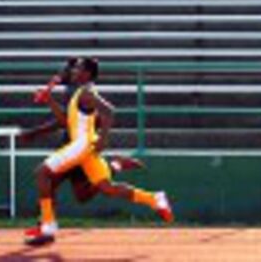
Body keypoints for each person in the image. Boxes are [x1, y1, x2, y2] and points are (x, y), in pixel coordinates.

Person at [24, 57, 174, 246]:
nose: (73, 71)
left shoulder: (86, 93)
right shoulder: (81, 92)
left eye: (77, 69)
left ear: (87, 73)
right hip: (87, 146)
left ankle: (48, 225)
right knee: (107, 188)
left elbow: (109, 111)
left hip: (82, 145)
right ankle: (154, 198)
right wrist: (49, 100)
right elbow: (67, 122)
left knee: (42, 173)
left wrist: (104, 138)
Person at [19, 58, 144, 205]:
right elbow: (67, 120)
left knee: (51, 179)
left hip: (78, 146)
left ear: (84, 73)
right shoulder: (74, 90)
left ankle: (46, 222)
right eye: (68, 70)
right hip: (72, 144)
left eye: (69, 69)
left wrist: (35, 132)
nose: (65, 73)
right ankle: (46, 221)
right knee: (78, 193)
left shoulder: (81, 91)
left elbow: (65, 121)